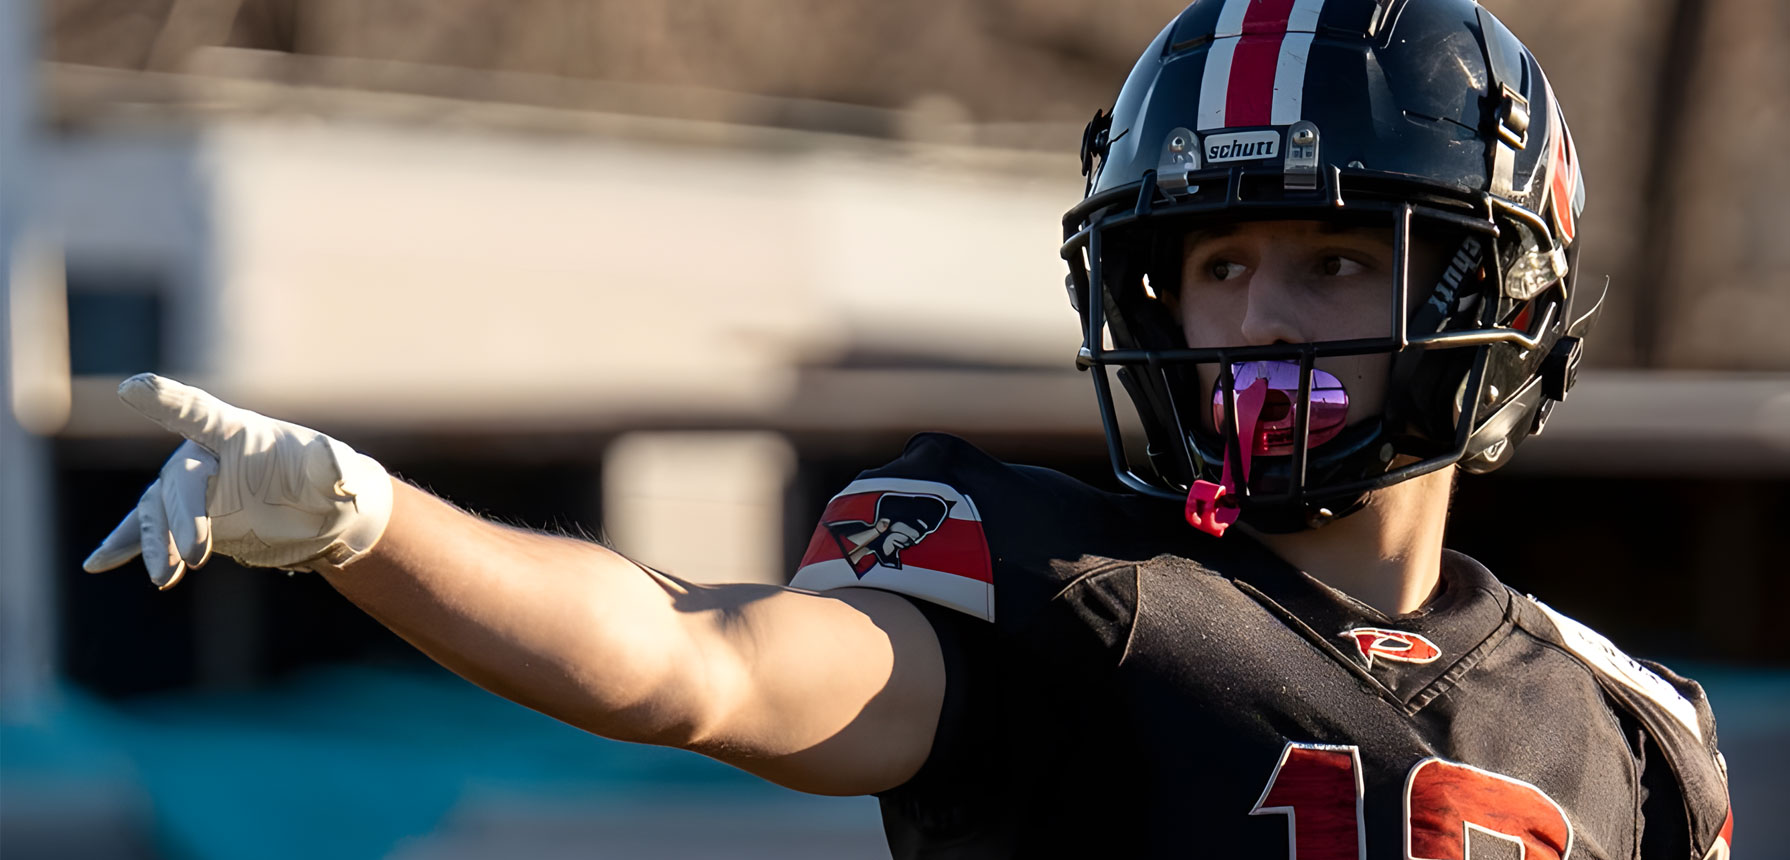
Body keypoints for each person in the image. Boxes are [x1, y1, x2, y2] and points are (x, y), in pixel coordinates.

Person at [85, 1, 1734, 856]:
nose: (1257, 318)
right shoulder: (1075, 594)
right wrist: (372, 521)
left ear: (1492, 292)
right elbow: (694, 660)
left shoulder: (1631, 734)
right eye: (1216, 264)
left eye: (1326, 259)